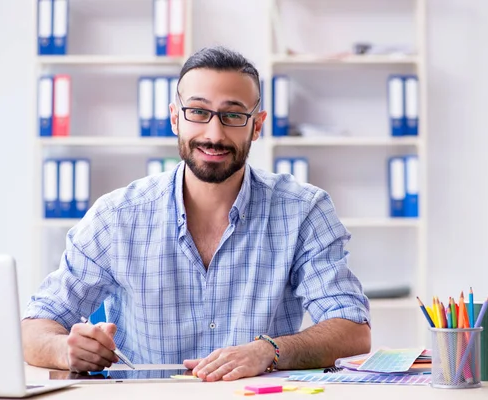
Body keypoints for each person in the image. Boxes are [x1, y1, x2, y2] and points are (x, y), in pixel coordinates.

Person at [22, 46, 371, 382]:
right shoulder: (117, 216)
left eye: (233, 115)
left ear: (257, 125)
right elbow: (34, 328)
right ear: (176, 117)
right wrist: (66, 350)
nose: (214, 134)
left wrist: (270, 350)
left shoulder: (303, 211)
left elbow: (353, 330)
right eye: (198, 112)